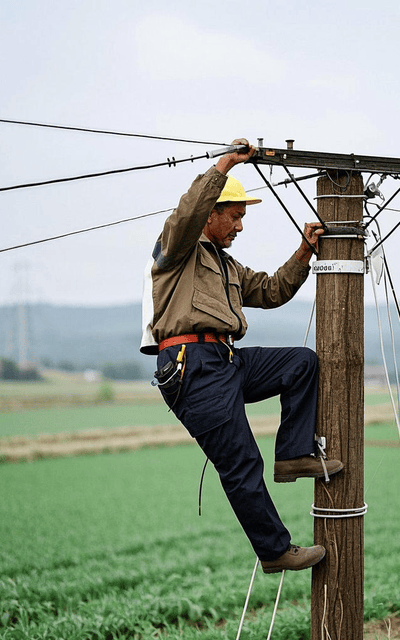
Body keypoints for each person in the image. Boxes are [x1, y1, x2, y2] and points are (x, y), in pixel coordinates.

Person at [140, 139, 343, 573]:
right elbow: (186, 215)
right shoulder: (178, 250)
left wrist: (305, 251)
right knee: (241, 461)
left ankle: (292, 454)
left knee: (300, 363)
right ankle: (274, 551)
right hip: (190, 367)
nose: (240, 227)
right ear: (211, 213)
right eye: (235, 217)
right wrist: (225, 166)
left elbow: (272, 291)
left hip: (226, 361)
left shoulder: (228, 267)